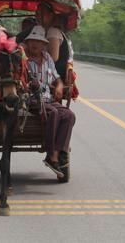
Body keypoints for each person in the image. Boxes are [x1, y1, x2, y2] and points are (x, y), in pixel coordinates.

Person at [24, 25, 76, 178]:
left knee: (69, 115)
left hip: (48, 99)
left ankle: (55, 154)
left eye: (39, 42)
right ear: (27, 43)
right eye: (32, 41)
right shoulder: (23, 59)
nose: (35, 44)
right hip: (30, 100)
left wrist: (60, 86)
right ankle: (51, 155)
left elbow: (57, 78)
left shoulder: (48, 59)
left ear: (44, 45)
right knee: (53, 112)